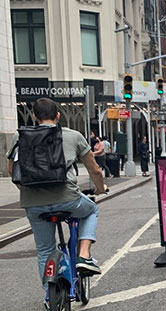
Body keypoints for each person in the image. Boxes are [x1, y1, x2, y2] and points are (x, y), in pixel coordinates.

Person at [5, 98, 106, 282]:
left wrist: (28, 191)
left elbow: (13, 171)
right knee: (91, 210)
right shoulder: (73, 136)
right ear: (58, 115)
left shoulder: (19, 137)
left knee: (45, 250)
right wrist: (100, 188)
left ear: (34, 116)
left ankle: (49, 297)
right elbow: (95, 170)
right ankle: (84, 255)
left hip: (33, 203)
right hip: (67, 198)